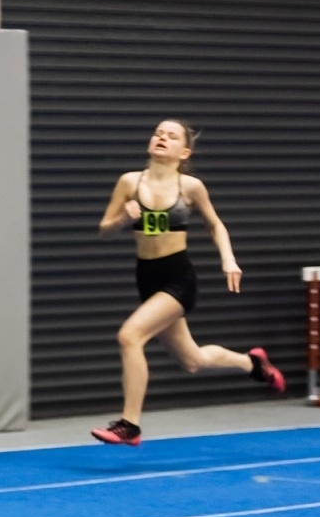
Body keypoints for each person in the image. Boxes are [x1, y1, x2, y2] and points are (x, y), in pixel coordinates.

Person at [91, 118, 284, 446]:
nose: (162, 138)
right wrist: (124, 218)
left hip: (178, 277)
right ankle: (251, 363)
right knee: (192, 361)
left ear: (184, 152)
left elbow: (215, 225)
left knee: (129, 336)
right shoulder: (129, 182)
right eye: (158, 133)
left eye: (171, 136)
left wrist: (228, 259)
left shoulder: (190, 187)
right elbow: (104, 230)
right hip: (147, 277)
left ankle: (130, 425)